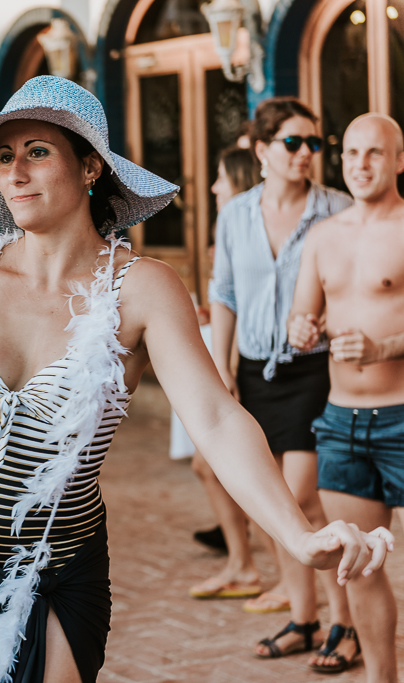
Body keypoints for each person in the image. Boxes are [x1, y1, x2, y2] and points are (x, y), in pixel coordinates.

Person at [0, 76, 390, 683]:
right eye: (4, 156)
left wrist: (298, 534)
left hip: (56, 572)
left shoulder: (139, 287)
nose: (16, 172)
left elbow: (214, 417)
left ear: (91, 167)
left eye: (38, 152)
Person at [208, 98, 361, 665]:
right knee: (279, 505)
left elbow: (356, 288)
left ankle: (343, 625)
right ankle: (304, 618)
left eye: (313, 144)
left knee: (295, 499)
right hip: (256, 370)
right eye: (292, 143)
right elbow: (223, 292)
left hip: (317, 373)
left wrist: (328, 319)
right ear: (261, 148)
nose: (305, 155)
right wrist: (220, 365)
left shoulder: (338, 210)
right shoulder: (236, 215)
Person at [289, 113, 404, 680]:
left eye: (375, 153)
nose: (360, 164)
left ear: (399, 160)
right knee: (359, 566)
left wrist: (385, 347)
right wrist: (302, 330)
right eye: (352, 153)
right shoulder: (323, 236)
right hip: (341, 422)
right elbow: (300, 315)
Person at [183, 147, 267, 597]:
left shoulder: (249, 227)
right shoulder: (231, 227)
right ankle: (242, 561)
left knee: (239, 469)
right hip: (225, 353)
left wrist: (229, 366)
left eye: (219, 177)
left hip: (242, 361)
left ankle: (256, 566)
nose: (213, 187)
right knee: (212, 466)